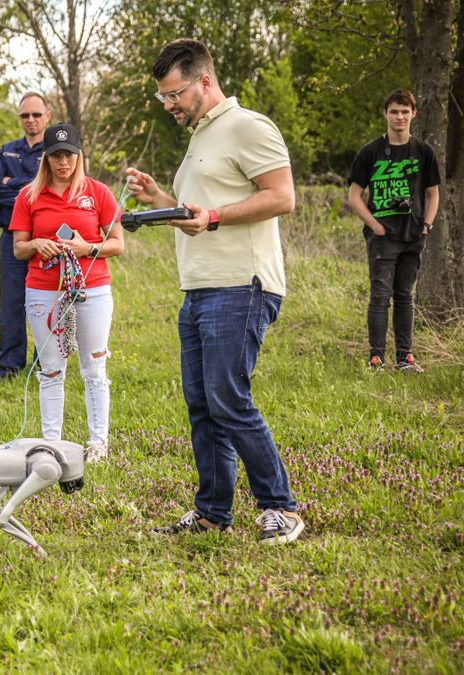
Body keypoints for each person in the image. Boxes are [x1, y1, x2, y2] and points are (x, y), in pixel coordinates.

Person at [125, 39, 303, 544]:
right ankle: (212, 513)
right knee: (202, 403)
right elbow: (196, 213)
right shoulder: (200, 137)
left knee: (228, 398)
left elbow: (282, 196)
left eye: (174, 94)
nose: (170, 105)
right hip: (199, 287)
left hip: (241, 284)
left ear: (204, 80)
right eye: (163, 98)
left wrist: (217, 216)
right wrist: (160, 198)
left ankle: (280, 507)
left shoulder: (249, 126)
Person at [9, 124, 123, 461]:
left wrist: (86, 248)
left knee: (94, 368)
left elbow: (117, 244)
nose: (63, 163)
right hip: (43, 290)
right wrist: (36, 244)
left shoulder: (97, 192)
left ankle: (98, 442)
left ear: (79, 156)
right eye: (56, 156)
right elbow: (18, 249)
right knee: (51, 369)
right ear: (45, 158)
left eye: (69, 155)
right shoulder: (29, 196)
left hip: (93, 290)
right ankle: (51, 444)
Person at [347, 89, 440, 373]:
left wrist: (426, 225)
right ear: (385, 114)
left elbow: (433, 194)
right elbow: (353, 196)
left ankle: (405, 359)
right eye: (394, 111)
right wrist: (374, 225)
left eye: (404, 111)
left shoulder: (423, 152)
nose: (399, 116)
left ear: (414, 114)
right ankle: (376, 358)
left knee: (404, 296)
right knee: (379, 296)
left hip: (413, 235)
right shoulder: (370, 152)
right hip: (382, 238)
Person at [0, 93, 51, 379]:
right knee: (11, 302)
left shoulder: (56, 151)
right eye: (25, 116)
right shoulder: (7, 151)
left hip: (45, 241)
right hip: (12, 238)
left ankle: (45, 364)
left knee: (44, 302)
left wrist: (12, 184)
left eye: (36, 114)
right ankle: (9, 365)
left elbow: (50, 188)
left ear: (47, 116)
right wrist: (31, 192)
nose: (31, 120)